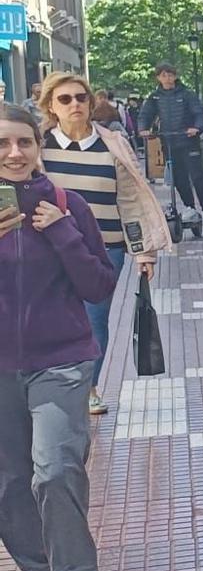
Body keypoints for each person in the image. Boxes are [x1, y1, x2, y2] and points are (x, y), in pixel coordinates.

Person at [0, 100, 118, 571]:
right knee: (9, 483)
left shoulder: (66, 203)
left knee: (54, 470)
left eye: (24, 141)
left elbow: (99, 286)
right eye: (2, 143)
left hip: (61, 361)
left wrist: (63, 232)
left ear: (38, 145)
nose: (14, 153)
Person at [37, 74, 170, 414]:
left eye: (81, 97)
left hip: (103, 250)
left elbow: (130, 201)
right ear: (51, 105)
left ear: (91, 102)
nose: (75, 105)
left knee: (95, 322)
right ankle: (54, 386)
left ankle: (89, 388)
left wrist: (144, 252)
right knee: (50, 318)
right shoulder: (39, 146)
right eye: (64, 99)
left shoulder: (111, 144)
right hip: (49, 250)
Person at [139, 63, 203, 223]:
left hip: (189, 140)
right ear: (158, 77)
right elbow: (146, 114)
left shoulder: (187, 94)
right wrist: (144, 128)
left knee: (197, 176)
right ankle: (189, 207)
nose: (167, 78)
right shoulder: (155, 97)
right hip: (169, 141)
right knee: (179, 178)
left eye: (170, 75)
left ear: (175, 76)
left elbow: (199, 113)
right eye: (163, 75)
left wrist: (196, 128)